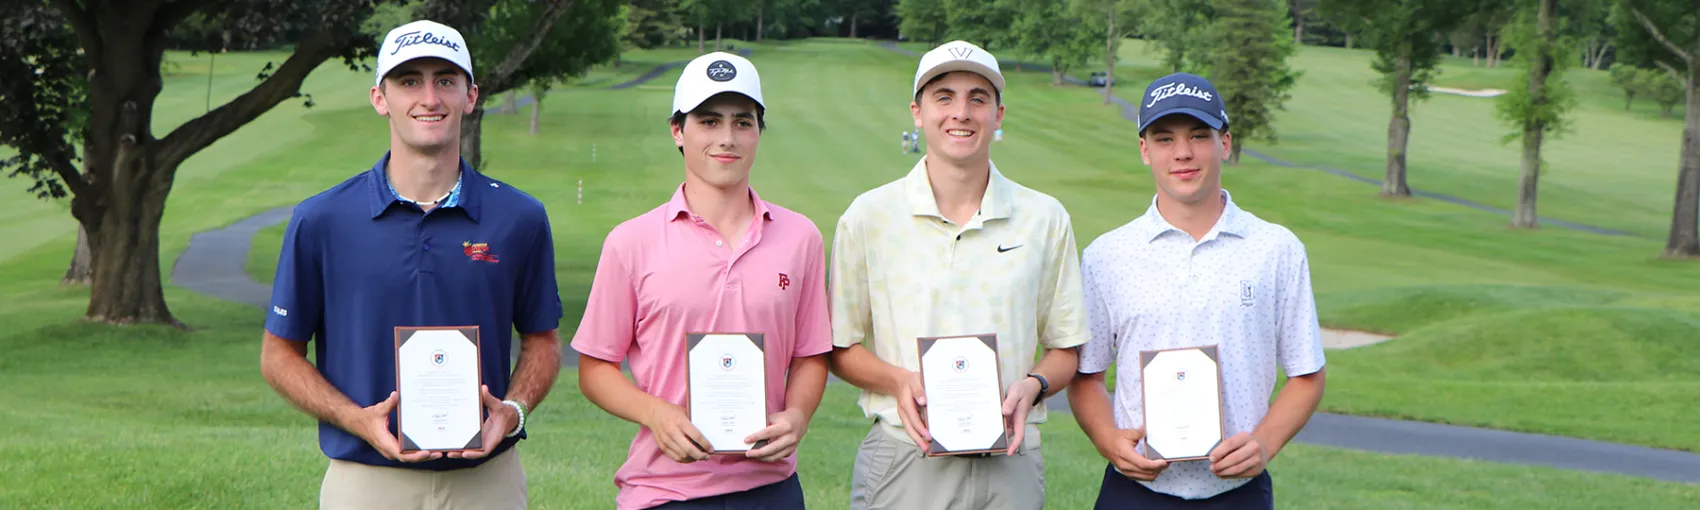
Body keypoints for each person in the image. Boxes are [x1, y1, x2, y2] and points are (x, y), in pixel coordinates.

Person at [259, 19, 562, 510]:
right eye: (409, 81)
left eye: (446, 80)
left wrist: (514, 411)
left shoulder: (519, 217)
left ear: (471, 95)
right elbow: (278, 355)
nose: (429, 97)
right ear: (380, 98)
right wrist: (354, 418)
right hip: (366, 480)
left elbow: (543, 342)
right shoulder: (322, 219)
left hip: (488, 482)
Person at [828, 40, 1088, 510]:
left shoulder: (1044, 218)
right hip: (908, 457)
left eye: (978, 98)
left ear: (999, 114)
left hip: (1011, 460)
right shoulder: (869, 216)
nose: (961, 112)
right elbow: (839, 347)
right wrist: (897, 381)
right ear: (917, 111)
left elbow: (1066, 346)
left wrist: (1034, 385)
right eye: (943, 96)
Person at [571, 51, 832, 510]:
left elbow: (811, 354)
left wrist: (798, 416)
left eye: (743, 122)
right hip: (664, 491)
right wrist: (654, 412)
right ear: (678, 131)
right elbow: (595, 369)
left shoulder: (801, 237)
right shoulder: (631, 242)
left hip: (770, 489)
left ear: (758, 131)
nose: (727, 139)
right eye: (709, 122)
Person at [1068, 72, 1328, 509]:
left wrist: (1264, 444)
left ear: (1224, 144)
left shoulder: (1276, 249)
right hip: (1137, 490)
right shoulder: (1106, 256)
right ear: (1144, 150)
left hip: (1235, 491)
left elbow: (1307, 374)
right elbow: (1086, 376)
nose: (1183, 153)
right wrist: (1107, 438)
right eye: (1165, 139)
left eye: (1198, 136)